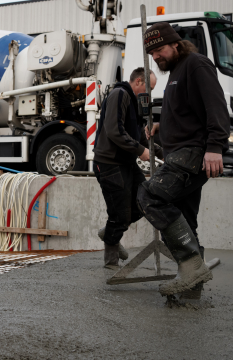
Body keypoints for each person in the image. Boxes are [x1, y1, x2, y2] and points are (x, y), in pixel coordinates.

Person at [137, 22, 230, 296]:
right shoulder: (176, 71)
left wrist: (215, 146)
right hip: (179, 153)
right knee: (187, 220)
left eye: (160, 49)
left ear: (176, 44)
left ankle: (191, 265)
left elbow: (216, 106)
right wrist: (160, 126)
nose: (156, 57)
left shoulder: (196, 64)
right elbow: (184, 110)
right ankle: (191, 289)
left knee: (149, 196)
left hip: (192, 154)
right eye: (151, 53)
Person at [93, 67, 163, 271]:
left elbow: (139, 133)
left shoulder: (134, 102)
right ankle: (111, 261)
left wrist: (158, 151)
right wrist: (140, 150)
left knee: (146, 200)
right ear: (139, 81)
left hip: (126, 162)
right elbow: (115, 131)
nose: (150, 93)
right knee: (120, 214)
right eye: (149, 88)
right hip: (110, 163)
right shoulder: (119, 94)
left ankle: (110, 233)